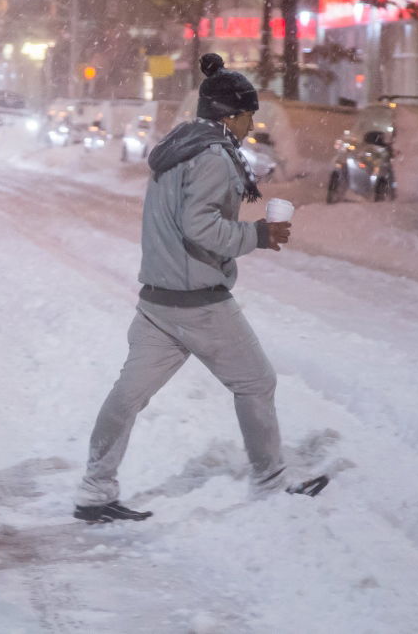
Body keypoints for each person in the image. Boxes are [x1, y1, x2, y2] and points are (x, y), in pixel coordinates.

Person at [73, 53, 326, 523]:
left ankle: (94, 490)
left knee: (127, 397)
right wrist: (257, 235)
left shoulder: (180, 146)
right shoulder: (212, 157)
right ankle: (270, 482)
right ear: (232, 115)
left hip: (159, 299)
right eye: (249, 115)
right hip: (198, 301)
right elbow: (200, 226)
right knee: (256, 382)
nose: (252, 124)